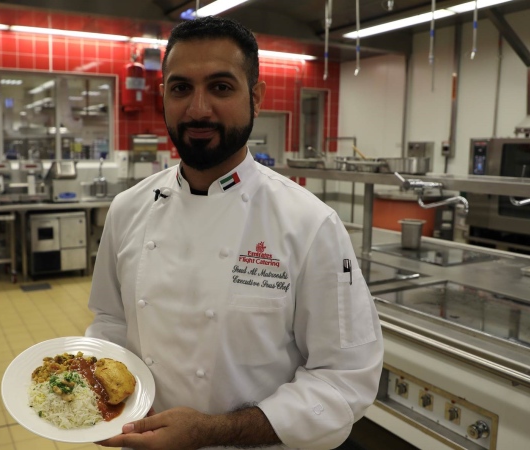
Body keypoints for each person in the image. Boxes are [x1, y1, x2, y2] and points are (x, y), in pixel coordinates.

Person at [86, 16, 383, 450]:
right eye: (181, 88)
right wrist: (106, 407)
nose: (198, 109)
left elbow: (345, 380)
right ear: (164, 95)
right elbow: (111, 323)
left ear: (256, 97)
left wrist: (211, 432)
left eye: (221, 87)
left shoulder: (309, 224)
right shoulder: (128, 209)